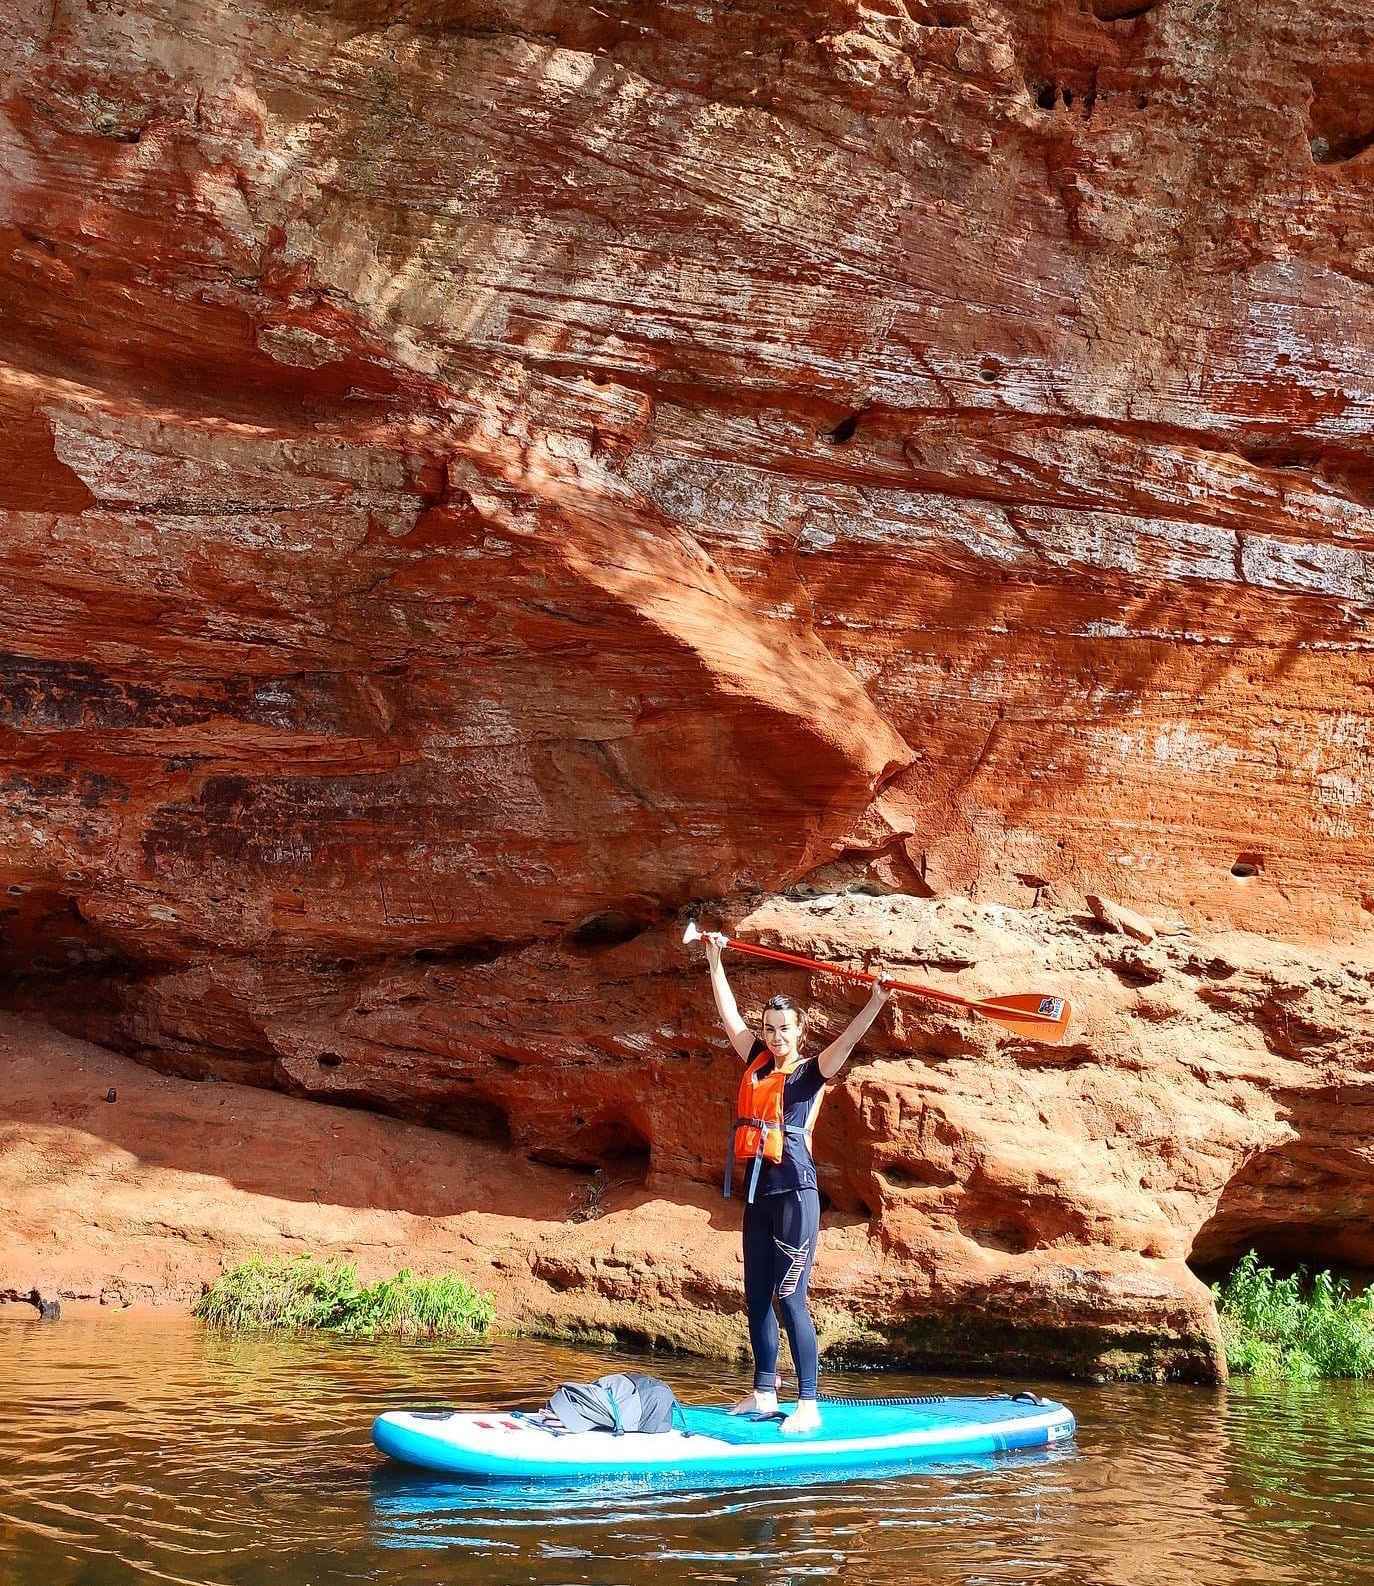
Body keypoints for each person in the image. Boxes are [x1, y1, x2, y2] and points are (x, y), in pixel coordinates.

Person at [702, 930, 891, 1435]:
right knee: (756, 1294)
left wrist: (875, 1000)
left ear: (799, 1033)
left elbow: (848, 1041)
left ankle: (808, 1401)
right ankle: (765, 1392)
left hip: (797, 1197)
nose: (775, 1036)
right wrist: (714, 959)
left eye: (784, 1029)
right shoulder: (755, 1060)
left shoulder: (811, 1071)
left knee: (789, 1297)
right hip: (757, 1194)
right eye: (770, 1029)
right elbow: (729, 1018)